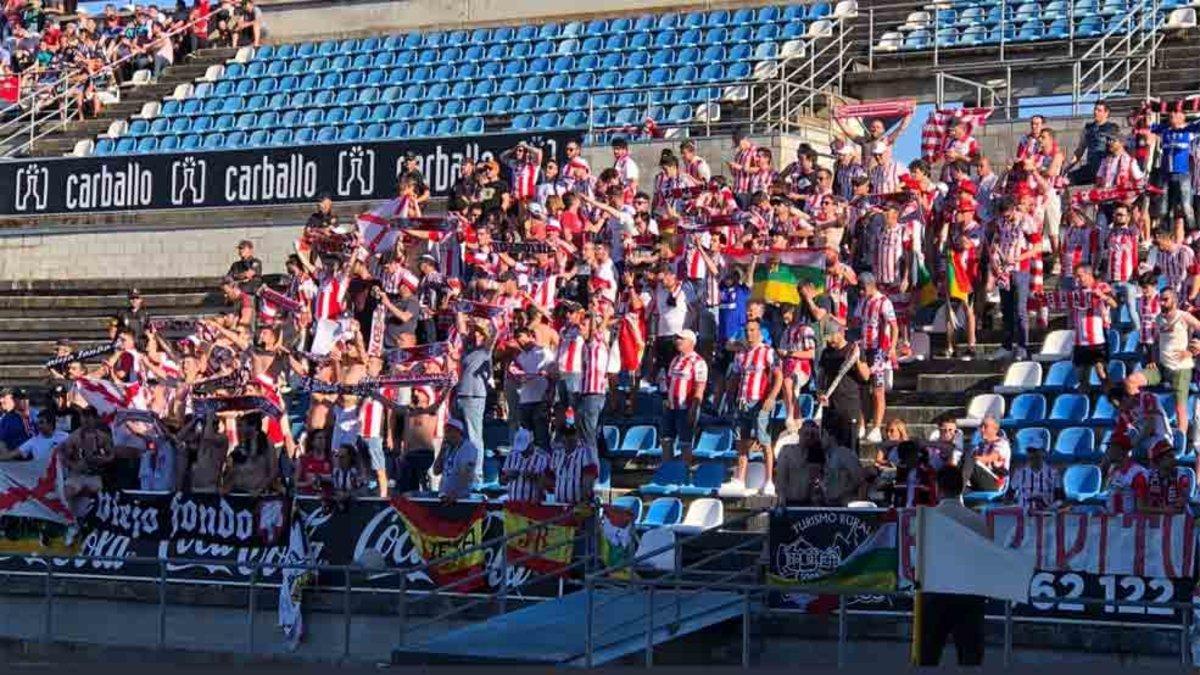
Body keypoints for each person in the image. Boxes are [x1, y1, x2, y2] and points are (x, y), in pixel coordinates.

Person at [915, 467, 988, 667]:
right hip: (969, 594)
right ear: (961, 488)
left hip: (936, 593)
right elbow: (984, 558)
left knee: (927, 657)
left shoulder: (925, 519)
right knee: (970, 658)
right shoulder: (977, 521)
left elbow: (920, 558)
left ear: (938, 488)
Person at [727, 318, 781, 493]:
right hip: (742, 401)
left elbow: (778, 376)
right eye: (746, 331)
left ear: (759, 332)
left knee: (764, 440)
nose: (749, 334)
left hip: (759, 401)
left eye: (752, 330)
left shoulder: (767, 352)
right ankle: (740, 479)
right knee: (741, 442)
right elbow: (735, 377)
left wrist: (771, 397)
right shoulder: (741, 354)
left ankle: (769, 480)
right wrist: (730, 398)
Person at [661, 329, 707, 465]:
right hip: (671, 407)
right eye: (677, 338)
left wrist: (694, 408)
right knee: (666, 439)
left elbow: (700, 388)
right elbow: (668, 382)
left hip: (685, 407)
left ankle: (685, 472)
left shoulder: (698, 362)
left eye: (681, 338)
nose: (677, 341)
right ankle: (667, 470)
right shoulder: (675, 359)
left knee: (685, 442)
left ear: (691, 342)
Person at [433, 418, 478, 503]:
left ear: (458, 432)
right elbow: (436, 471)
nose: (446, 435)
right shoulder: (448, 448)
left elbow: (466, 474)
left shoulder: (468, 448)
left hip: (459, 498)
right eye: (445, 432)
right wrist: (441, 452)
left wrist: (455, 493)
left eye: (449, 431)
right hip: (444, 496)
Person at [502, 428, 552, 504]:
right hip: (513, 503)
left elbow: (550, 483)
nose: (522, 452)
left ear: (531, 442)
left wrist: (534, 476)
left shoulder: (543, 457)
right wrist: (508, 476)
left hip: (533, 505)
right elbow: (502, 480)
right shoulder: (511, 456)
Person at [962, 416, 1010, 492]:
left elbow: (990, 458)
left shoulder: (1002, 444)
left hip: (994, 482)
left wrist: (972, 457)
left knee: (970, 460)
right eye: (981, 426)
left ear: (995, 429)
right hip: (978, 480)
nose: (982, 429)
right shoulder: (981, 444)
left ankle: (957, 492)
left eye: (985, 427)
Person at [1006, 444, 1060, 511]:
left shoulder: (1053, 473)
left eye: (1035, 451)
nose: (1033, 454)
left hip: (1046, 514)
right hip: (1023, 514)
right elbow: (1010, 495)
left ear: (1043, 453)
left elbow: (1059, 497)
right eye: (1030, 451)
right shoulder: (1019, 473)